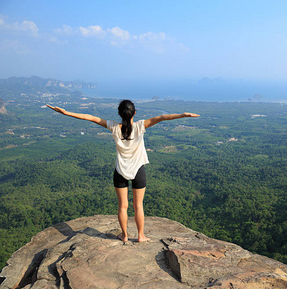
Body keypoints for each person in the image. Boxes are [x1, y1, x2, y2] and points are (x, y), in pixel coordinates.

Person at [47, 100, 199, 242]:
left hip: (120, 171)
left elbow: (90, 118)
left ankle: (124, 235)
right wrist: (184, 115)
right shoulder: (140, 126)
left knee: (122, 206)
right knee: (138, 206)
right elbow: (163, 117)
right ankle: (140, 235)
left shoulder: (113, 127)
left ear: (119, 114)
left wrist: (66, 113)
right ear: (134, 113)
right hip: (138, 170)